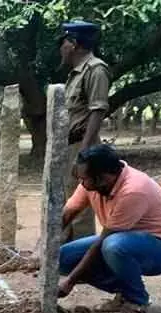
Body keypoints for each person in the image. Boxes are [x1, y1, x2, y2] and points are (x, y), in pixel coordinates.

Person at [58, 145, 161, 313]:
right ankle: (125, 292)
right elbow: (67, 214)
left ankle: (137, 302)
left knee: (113, 246)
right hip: (122, 240)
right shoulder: (91, 183)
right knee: (61, 258)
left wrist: (70, 281)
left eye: (86, 179)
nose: (83, 184)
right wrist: (44, 248)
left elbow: (102, 242)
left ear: (104, 177)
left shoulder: (134, 190)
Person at [60, 20, 111, 242]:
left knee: (80, 206)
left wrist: (83, 154)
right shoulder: (75, 74)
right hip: (68, 145)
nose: (60, 48)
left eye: (63, 42)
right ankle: (63, 254)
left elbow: (97, 111)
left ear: (73, 44)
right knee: (66, 199)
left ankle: (81, 259)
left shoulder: (96, 70)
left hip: (81, 144)